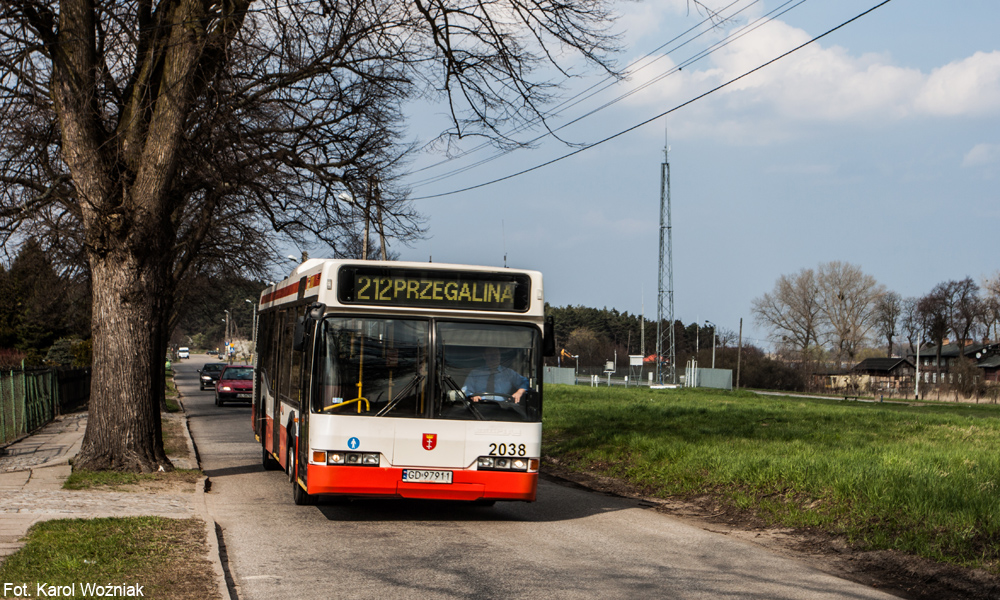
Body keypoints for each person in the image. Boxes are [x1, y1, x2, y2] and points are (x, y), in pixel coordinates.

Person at [462, 348, 529, 403]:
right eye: (490, 354)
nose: (494, 357)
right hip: (480, 406)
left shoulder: (508, 373)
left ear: (500, 356)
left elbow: (525, 382)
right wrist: (472, 396)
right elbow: (466, 390)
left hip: (502, 408)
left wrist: (519, 393)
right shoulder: (475, 373)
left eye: (496, 354)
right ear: (484, 356)